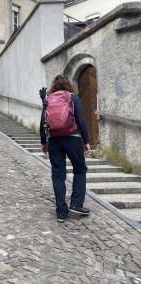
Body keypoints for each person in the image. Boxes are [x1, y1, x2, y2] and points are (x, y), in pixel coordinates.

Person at [40, 74, 91, 223]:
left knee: (58, 175)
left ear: (53, 86)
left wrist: (44, 142)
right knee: (80, 169)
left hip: (54, 140)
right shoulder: (73, 98)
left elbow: (42, 121)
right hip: (72, 139)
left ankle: (61, 211)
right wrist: (86, 140)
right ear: (68, 84)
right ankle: (76, 204)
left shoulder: (48, 100)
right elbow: (81, 120)